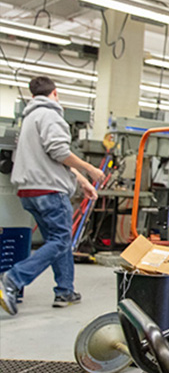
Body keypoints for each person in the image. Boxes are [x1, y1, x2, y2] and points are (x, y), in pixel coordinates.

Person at [0, 76, 105, 316]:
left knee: (59, 242)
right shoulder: (51, 115)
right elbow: (59, 152)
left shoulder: (29, 117)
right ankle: (13, 279)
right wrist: (90, 169)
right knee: (60, 240)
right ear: (55, 93)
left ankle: (65, 290)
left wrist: (82, 182)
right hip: (50, 191)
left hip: (30, 191)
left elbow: (50, 157)